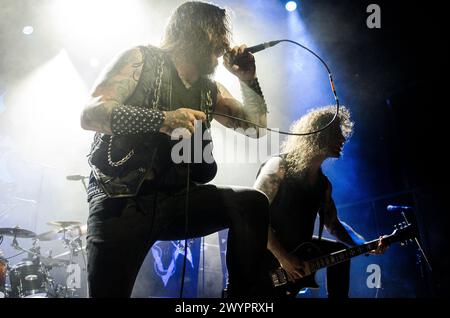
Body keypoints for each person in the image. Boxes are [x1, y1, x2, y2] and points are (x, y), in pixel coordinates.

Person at [80, 1, 270, 297]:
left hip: (178, 201)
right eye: (219, 33)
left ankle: (240, 299)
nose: (225, 44)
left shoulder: (210, 89)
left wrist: (248, 81)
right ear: (194, 32)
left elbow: (257, 129)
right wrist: (163, 119)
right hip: (122, 199)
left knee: (251, 204)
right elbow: (90, 115)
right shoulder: (140, 59)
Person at [254, 106, 387, 298]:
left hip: (298, 250)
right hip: (265, 254)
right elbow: (253, 215)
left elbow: (333, 225)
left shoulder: (323, 185)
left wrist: (367, 245)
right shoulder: (278, 166)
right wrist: (283, 257)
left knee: (339, 252)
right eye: (336, 134)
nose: (342, 140)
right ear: (318, 134)